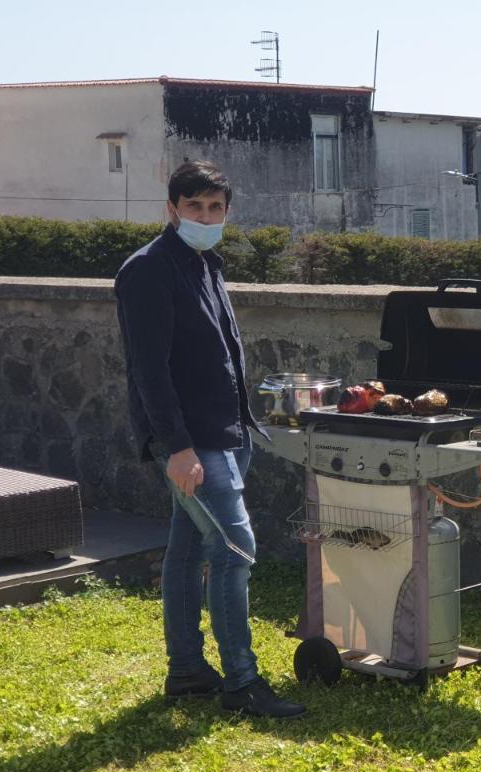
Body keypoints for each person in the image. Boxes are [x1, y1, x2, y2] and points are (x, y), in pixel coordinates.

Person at [115, 161, 305, 718]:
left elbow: (219, 353)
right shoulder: (147, 270)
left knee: (188, 548)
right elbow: (149, 371)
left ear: (226, 211)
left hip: (226, 432)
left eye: (215, 208)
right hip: (191, 443)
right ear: (172, 208)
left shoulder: (205, 263)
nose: (205, 216)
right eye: (194, 206)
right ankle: (242, 684)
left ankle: (187, 671)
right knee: (235, 549)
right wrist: (175, 447)